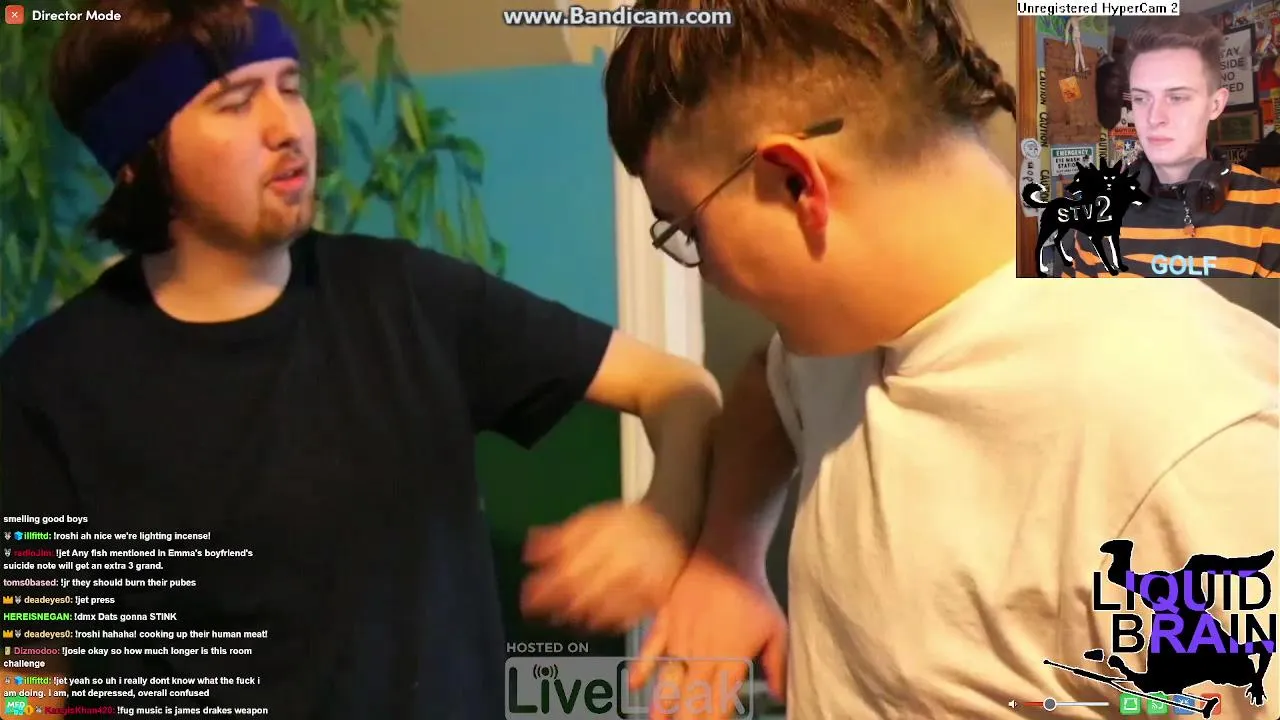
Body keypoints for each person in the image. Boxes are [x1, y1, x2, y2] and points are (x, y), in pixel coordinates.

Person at [523, 0, 1280, 718]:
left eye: (690, 230)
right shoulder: (847, 333)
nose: (708, 272)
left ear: (796, 185)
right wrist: (727, 558)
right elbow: (768, 389)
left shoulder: (1191, 450)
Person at [0, 1, 720, 717]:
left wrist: (664, 520)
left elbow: (678, 388)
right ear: (138, 159)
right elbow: (29, 669)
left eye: (289, 87)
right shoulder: (48, 386)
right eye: (236, 102)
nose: (287, 127)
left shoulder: (408, 298)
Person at [1062, 14, 1280, 278]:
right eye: (1141, 98)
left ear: (1215, 105)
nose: (1154, 117)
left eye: (1176, 97)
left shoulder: (1271, 210)